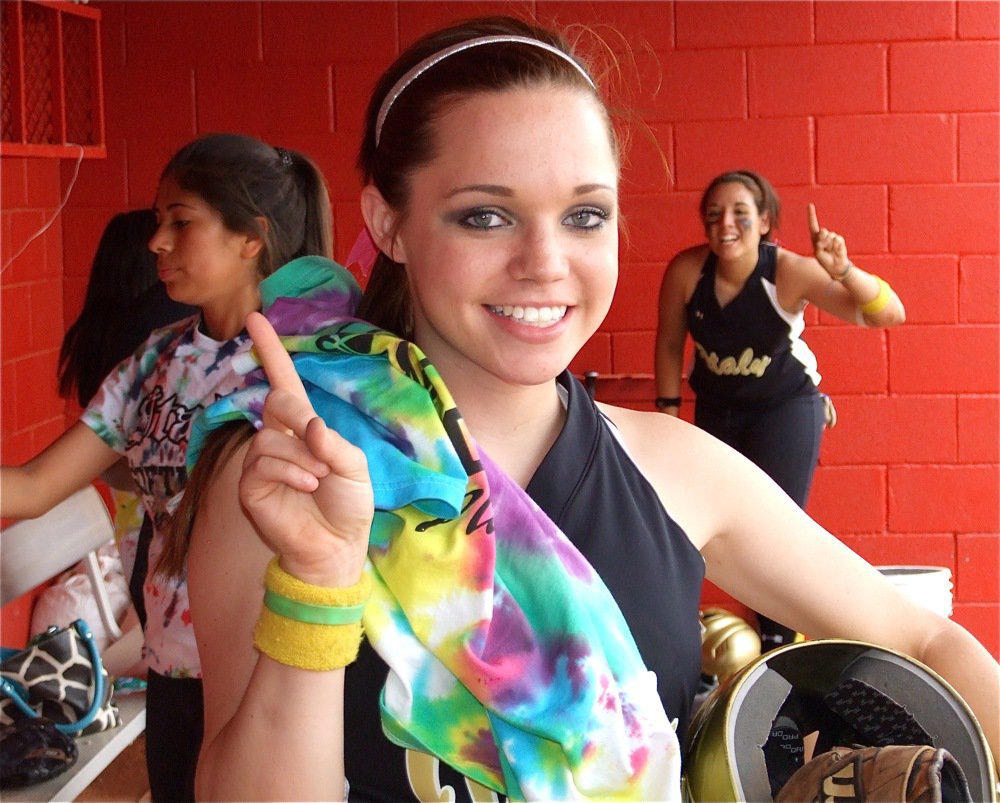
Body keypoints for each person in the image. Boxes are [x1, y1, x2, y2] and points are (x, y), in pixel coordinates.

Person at [179, 17, 996, 802]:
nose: (545, 263)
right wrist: (318, 587)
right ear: (388, 222)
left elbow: (923, 640)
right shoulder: (292, 469)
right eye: (486, 215)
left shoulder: (674, 466)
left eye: (584, 215)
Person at [1, 133, 333, 801]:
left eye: (181, 222)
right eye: (159, 222)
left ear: (250, 239)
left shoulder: (316, 361)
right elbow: (34, 487)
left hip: (275, 672)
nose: (157, 242)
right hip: (175, 671)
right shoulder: (156, 361)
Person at [655, 169, 905, 651]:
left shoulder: (787, 270)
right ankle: (694, 646)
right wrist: (666, 418)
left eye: (740, 214)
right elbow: (669, 344)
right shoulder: (688, 271)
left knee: (775, 535)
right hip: (717, 410)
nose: (726, 223)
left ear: (765, 222)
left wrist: (844, 270)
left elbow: (888, 313)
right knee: (703, 530)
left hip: (783, 409)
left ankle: (781, 647)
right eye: (714, 214)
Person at [58, 208, 195, 591]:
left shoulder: (103, 333)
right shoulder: (148, 345)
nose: (164, 245)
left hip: (132, 516)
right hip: (152, 521)